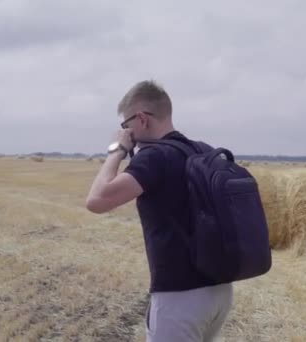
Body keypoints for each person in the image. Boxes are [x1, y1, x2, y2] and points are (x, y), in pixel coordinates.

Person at [86, 80, 233, 342]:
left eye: (125, 125)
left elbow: (96, 200)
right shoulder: (204, 151)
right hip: (220, 291)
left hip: (180, 297)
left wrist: (117, 150)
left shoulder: (155, 157)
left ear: (141, 119)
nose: (125, 131)